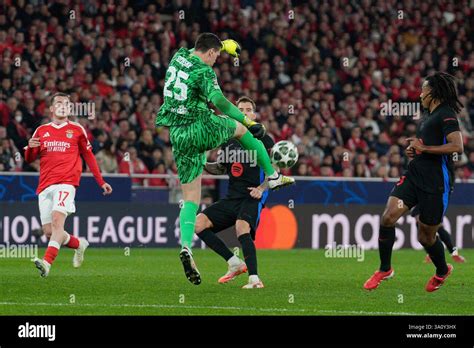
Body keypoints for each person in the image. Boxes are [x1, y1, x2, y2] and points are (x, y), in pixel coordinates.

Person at [155, 33, 294, 285]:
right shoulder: (206, 72)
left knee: (191, 199)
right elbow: (220, 103)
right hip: (200, 125)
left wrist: (224, 45)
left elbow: (195, 48)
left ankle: (186, 246)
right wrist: (249, 121)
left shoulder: (178, 58)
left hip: (177, 134)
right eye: (216, 56)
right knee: (242, 130)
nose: (216, 60)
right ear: (209, 53)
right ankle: (273, 176)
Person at [364, 72, 464, 292]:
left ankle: (442, 270)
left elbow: (457, 146)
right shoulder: (429, 114)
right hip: (414, 175)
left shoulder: (446, 114)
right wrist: (415, 149)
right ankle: (385, 269)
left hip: (436, 183)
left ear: (433, 93)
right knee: (388, 216)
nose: (420, 94)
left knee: (426, 236)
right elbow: (425, 145)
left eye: (423, 90)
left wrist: (425, 148)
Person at [24, 92, 113, 277]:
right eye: (59, 103)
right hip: (45, 186)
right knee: (50, 231)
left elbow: (88, 156)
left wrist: (101, 181)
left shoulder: (77, 130)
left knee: (57, 222)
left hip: (66, 183)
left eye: (66, 103)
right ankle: (79, 244)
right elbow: (30, 158)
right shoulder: (41, 131)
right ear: (51, 108)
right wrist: (30, 147)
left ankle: (47, 263)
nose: (63, 106)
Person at [196, 96, 273, 289]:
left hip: (252, 195)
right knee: (199, 224)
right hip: (232, 197)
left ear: (254, 115)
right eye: (241, 109)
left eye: (248, 109)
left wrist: (261, 188)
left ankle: (255, 279)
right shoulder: (228, 139)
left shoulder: (263, 138)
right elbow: (220, 168)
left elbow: (275, 171)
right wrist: (201, 163)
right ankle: (234, 263)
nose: (245, 113)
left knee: (241, 227)